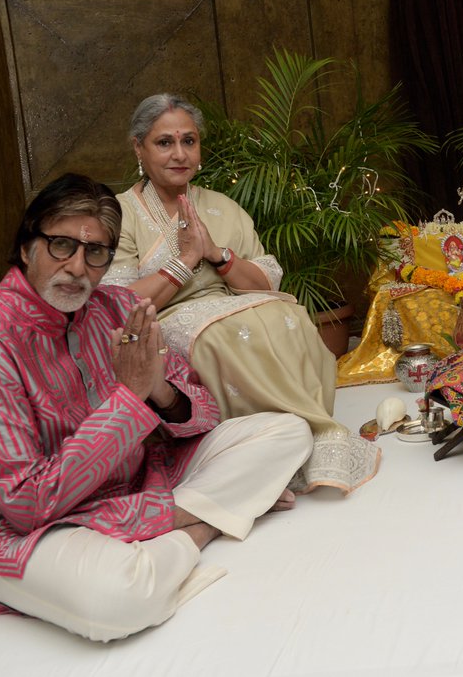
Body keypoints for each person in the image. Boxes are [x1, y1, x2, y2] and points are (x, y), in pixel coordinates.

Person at [0, 174, 311, 642]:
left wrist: (158, 389)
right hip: (17, 529)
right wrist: (130, 400)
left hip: (134, 483)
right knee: (117, 598)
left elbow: (205, 413)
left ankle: (163, 531)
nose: (77, 267)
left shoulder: (116, 308)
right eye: (61, 245)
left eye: (95, 252)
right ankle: (204, 526)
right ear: (27, 247)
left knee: (286, 431)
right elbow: (28, 504)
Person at [105, 94, 378, 493]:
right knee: (225, 336)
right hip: (165, 320)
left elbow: (267, 283)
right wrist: (185, 261)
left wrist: (217, 254)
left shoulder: (222, 206)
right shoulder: (121, 214)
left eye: (189, 141)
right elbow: (119, 305)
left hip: (235, 304)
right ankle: (280, 445)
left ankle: (306, 434)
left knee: (289, 316)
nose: (180, 153)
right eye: (165, 142)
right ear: (138, 148)